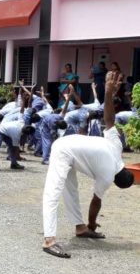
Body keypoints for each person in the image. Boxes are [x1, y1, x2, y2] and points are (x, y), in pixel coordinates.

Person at [41, 72, 135, 258]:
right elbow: (95, 202)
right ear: (117, 182)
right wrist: (93, 224)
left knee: (71, 190)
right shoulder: (108, 177)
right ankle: (49, 240)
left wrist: (108, 93)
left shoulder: (117, 148)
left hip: (69, 145)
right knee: (53, 191)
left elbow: (109, 120)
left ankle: (80, 228)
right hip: (64, 150)